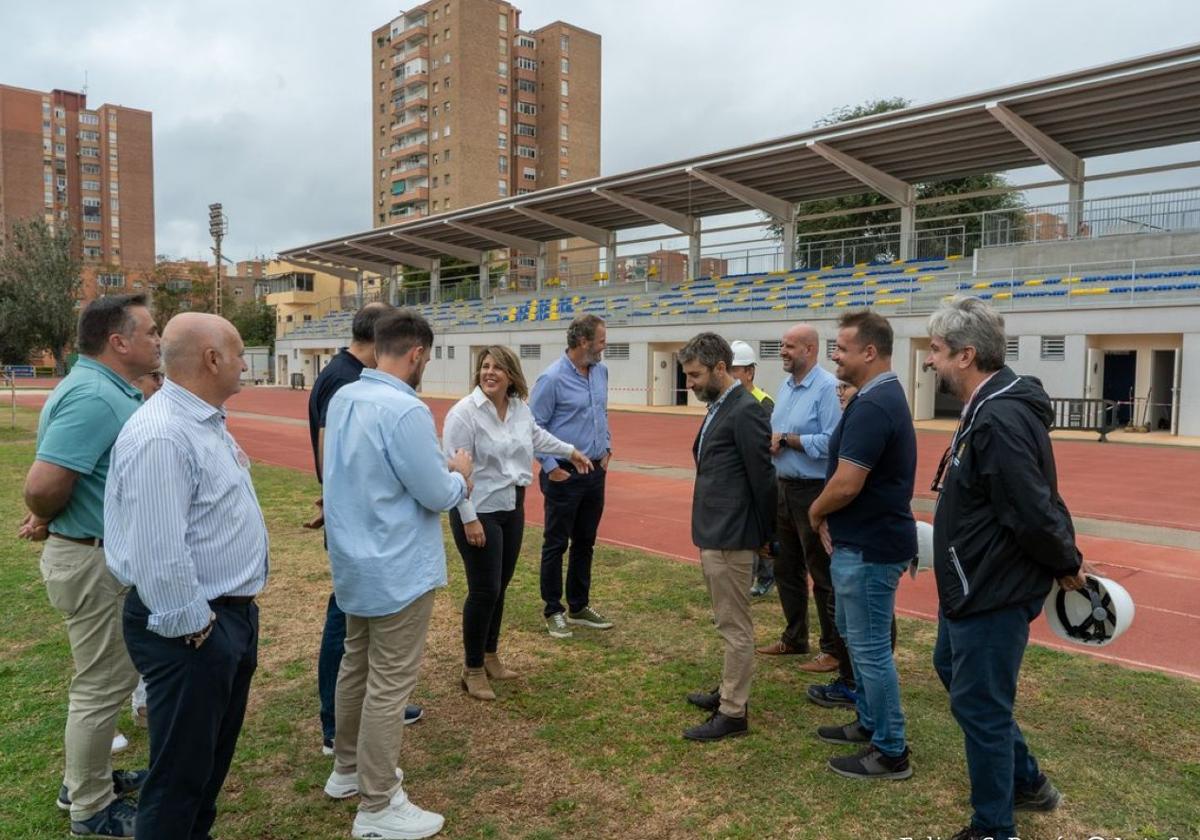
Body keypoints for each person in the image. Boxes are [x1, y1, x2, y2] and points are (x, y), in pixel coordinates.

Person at [924, 297, 1086, 840]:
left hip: (991, 587)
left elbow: (1032, 506)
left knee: (982, 708)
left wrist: (1065, 560)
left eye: (937, 350)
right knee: (953, 670)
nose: (930, 361)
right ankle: (1028, 781)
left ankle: (994, 827)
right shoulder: (986, 409)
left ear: (967, 355)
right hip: (971, 582)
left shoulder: (999, 417)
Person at [105, 312, 268, 838]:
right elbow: (158, 552)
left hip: (224, 619)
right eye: (240, 352)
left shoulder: (199, 420)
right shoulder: (165, 434)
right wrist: (197, 629)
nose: (246, 362)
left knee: (205, 766)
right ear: (212, 358)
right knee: (178, 778)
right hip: (194, 628)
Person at [322, 310, 472, 840]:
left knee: (355, 667)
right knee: (388, 682)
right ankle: (378, 803)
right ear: (415, 355)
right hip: (396, 565)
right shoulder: (404, 410)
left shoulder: (345, 397)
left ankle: (347, 770)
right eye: (426, 359)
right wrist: (460, 476)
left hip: (355, 559)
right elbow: (433, 491)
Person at [19, 294, 159, 837]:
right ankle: (90, 807)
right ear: (118, 342)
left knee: (101, 681)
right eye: (149, 332)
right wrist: (48, 515)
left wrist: (53, 516)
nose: (156, 340)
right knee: (101, 686)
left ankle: (87, 778)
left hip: (94, 550)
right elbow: (44, 483)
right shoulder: (96, 396)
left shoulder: (104, 389)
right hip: (93, 559)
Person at [303, 303, 422, 756]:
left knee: (356, 626)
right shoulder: (346, 380)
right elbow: (328, 453)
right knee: (348, 626)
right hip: (359, 523)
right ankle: (337, 724)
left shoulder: (344, 374)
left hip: (350, 513)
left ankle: (354, 715)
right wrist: (336, 499)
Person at [443, 345, 592, 700]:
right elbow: (451, 467)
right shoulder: (464, 413)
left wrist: (569, 451)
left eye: (497, 367)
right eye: (485, 366)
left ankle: (491, 655)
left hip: (512, 505)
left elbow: (537, 436)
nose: (489, 372)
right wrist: (469, 518)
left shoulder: (519, 409)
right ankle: (473, 668)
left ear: (511, 374)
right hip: (478, 508)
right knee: (484, 590)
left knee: (501, 585)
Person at [809, 310, 916, 781]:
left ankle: (891, 749)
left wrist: (816, 511)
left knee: (870, 649)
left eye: (842, 347)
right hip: (862, 542)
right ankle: (870, 724)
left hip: (869, 547)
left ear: (869, 352)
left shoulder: (874, 405)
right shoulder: (876, 398)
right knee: (856, 639)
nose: (835, 354)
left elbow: (848, 483)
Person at [680, 333, 776, 741]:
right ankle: (727, 692)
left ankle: (733, 712)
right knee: (726, 620)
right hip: (716, 531)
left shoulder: (746, 410)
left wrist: (766, 537)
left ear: (722, 369)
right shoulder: (721, 404)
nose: (691, 384)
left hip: (732, 535)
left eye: (696, 375)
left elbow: (764, 479)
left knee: (736, 626)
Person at [761, 324, 842, 679]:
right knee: (786, 568)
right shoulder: (787, 386)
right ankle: (795, 638)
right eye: (782, 345)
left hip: (813, 491)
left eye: (789, 346)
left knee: (823, 573)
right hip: (783, 487)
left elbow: (831, 442)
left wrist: (789, 440)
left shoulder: (827, 388)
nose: (783, 351)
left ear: (810, 349)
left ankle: (833, 649)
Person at [530, 314, 615, 638]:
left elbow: (601, 413)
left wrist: (607, 447)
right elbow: (533, 426)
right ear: (583, 342)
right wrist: (552, 468)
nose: (605, 346)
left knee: (585, 542)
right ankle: (553, 609)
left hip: (594, 471)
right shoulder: (551, 379)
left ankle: (578, 606)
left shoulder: (601, 372)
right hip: (564, 474)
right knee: (556, 543)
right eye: (602, 340)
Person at [729, 340, 776, 598]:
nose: (733, 375)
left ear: (750, 372)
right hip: (738, 478)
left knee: (762, 527)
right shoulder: (728, 401)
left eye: (737, 370)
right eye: (730, 370)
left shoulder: (764, 402)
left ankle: (767, 576)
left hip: (758, 475)